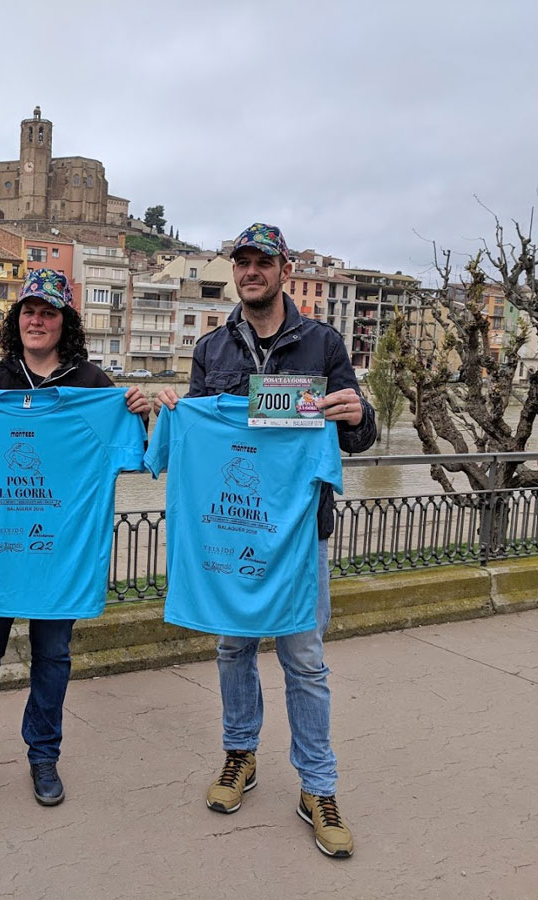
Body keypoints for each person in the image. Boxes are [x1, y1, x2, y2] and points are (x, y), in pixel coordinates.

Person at [155, 223, 376, 858]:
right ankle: (239, 755)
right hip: (231, 534)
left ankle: (318, 787)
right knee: (232, 649)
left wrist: (358, 416)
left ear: (284, 270)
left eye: (262, 262)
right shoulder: (211, 348)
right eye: (242, 262)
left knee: (304, 662)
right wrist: (171, 410)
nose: (250, 271)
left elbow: (357, 437)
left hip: (300, 538)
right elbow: (202, 437)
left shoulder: (323, 343)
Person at [0, 267, 150, 808]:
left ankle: (43, 756)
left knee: (53, 657)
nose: (37, 321)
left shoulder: (94, 388)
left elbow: (133, 458)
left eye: (48, 313)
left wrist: (139, 415)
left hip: (57, 555)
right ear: (17, 320)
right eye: (29, 312)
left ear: (65, 322)